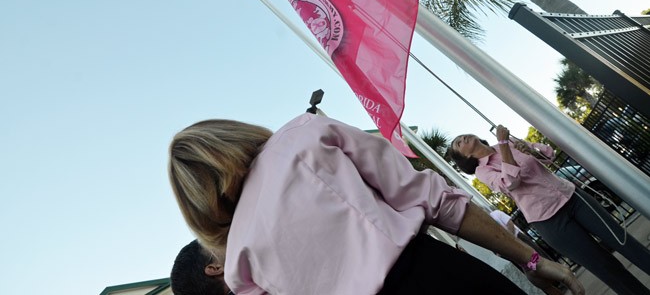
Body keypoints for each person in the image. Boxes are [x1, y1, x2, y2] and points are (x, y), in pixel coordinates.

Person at [169, 113, 583, 294]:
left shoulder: (239, 261)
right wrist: (531, 262)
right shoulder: (303, 135)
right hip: (437, 276)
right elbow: (435, 199)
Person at [448, 125, 650, 295]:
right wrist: (503, 146)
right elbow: (511, 182)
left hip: (571, 197)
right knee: (605, 267)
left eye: (461, 137)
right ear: (465, 156)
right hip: (549, 221)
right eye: (458, 143)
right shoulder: (482, 171)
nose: (461, 138)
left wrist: (528, 148)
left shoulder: (509, 143)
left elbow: (547, 155)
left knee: (623, 241)